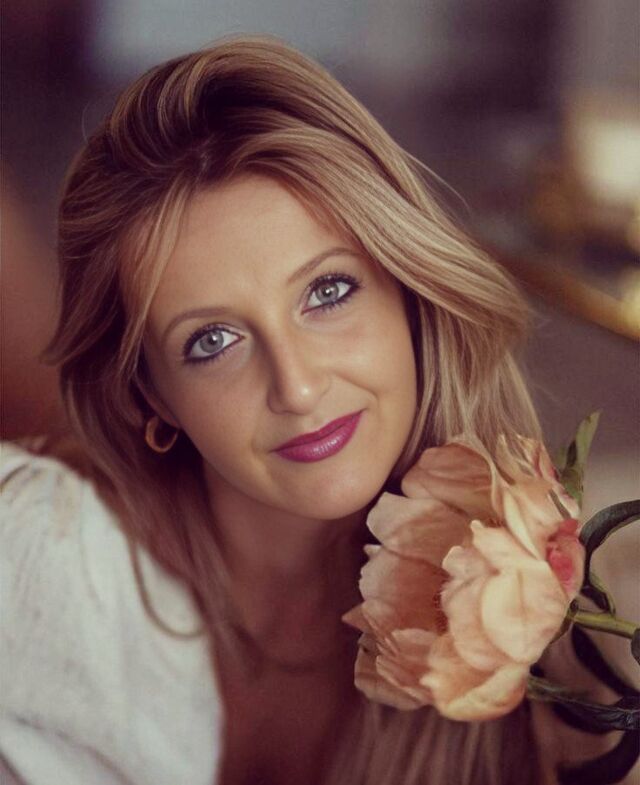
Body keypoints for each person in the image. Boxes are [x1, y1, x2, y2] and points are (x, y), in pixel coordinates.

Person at [0, 34, 547, 785]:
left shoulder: (535, 603)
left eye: (328, 292)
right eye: (213, 340)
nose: (297, 386)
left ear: (407, 291)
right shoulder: (38, 556)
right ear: (150, 394)